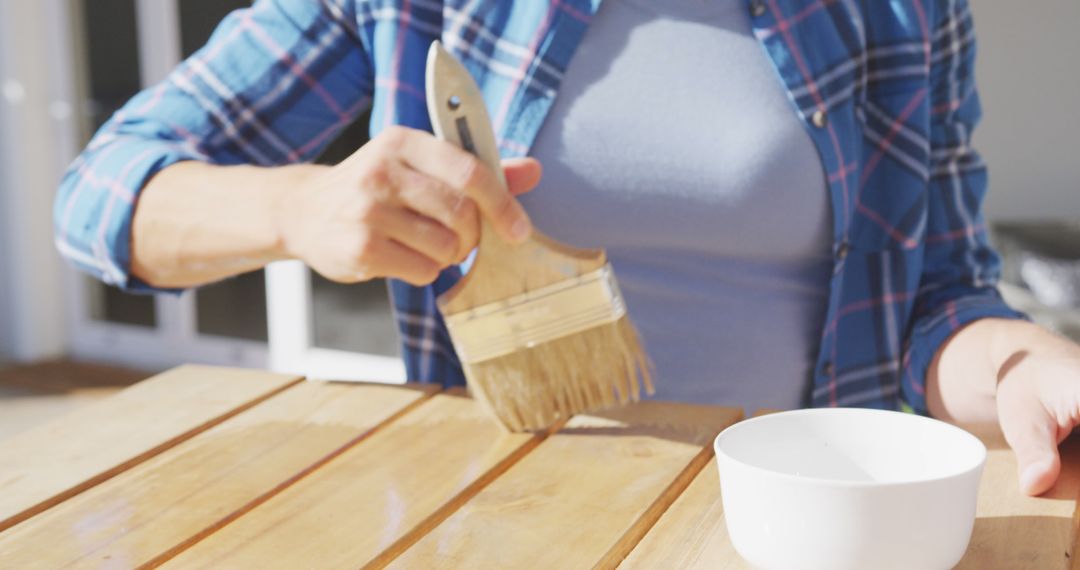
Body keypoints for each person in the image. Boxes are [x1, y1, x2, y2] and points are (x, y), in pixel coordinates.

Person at [55, 0, 1080, 496]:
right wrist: (300, 207)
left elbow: (940, 298)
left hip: (805, 527)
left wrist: (1025, 365)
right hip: (504, 524)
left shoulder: (902, 10)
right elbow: (100, 198)